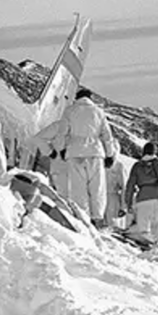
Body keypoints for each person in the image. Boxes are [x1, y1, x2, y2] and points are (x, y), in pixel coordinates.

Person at [53, 88, 118, 229]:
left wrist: (61, 149)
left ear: (77, 97)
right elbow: (107, 136)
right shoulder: (98, 112)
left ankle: (83, 220)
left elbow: (62, 133)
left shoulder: (70, 111)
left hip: (75, 152)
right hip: (95, 152)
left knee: (78, 188)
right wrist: (110, 154)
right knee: (97, 188)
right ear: (90, 98)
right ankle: (98, 219)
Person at [122, 142, 158, 256]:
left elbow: (130, 186)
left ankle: (148, 254)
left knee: (144, 231)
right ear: (155, 152)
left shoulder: (137, 166)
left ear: (143, 152)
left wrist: (128, 204)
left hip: (143, 201)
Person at [29, 120, 69, 198]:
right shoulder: (60, 125)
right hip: (61, 171)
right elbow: (37, 138)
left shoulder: (91, 130)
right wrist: (50, 153)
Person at [103, 150, 128, 229]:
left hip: (113, 198)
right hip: (100, 197)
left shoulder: (119, 166)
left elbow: (124, 187)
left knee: (113, 228)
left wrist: (124, 206)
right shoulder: (98, 162)